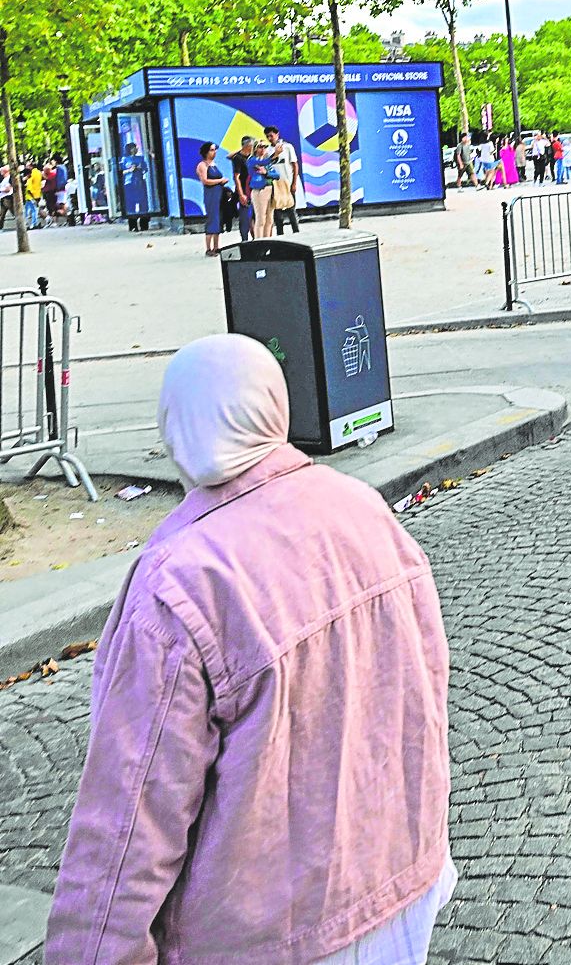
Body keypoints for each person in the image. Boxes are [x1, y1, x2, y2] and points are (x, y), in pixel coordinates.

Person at [45, 333, 453, 964]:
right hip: (399, 887)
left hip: (267, 936)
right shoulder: (365, 510)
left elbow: (130, 816)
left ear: (174, 428)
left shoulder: (179, 581)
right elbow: (423, 695)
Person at [265, 126, 302, 235]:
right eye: (267, 136)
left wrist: (294, 182)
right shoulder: (267, 150)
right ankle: (280, 234)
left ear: (277, 134)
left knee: (291, 209)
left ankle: (296, 232)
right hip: (275, 184)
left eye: (271, 135)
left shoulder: (287, 147)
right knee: (278, 212)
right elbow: (266, 164)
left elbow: (294, 165)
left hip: (287, 182)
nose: (270, 138)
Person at [195, 141, 227, 256]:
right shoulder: (202, 165)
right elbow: (205, 181)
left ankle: (216, 246)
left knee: (218, 219)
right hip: (211, 195)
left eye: (215, 150)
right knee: (212, 219)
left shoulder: (214, 164)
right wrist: (220, 181)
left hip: (219, 194)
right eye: (212, 150)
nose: (214, 152)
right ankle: (208, 248)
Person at [248, 138, 278, 239]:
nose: (263, 149)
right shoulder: (252, 160)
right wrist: (275, 154)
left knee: (269, 219)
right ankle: (259, 241)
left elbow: (276, 175)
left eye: (265, 147)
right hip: (259, 190)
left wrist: (267, 173)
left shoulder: (266, 163)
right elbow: (264, 162)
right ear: (255, 149)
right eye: (261, 147)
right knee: (261, 218)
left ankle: (267, 239)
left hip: (269, 189)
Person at [119, 141, 152, 232]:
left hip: (139, 182)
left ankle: (144, 224)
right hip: (129, 183)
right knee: (131, 205)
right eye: (134, 148)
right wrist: (130, 170)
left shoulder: (140, 158)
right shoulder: (125, 159)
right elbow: (121, 172)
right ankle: (133, 225)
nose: (135, 149)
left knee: (143, 204)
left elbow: (145, 169)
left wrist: (140, 168)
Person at [230, 136, 255, 244]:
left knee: (254, 217)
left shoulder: (252, 157)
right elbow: (236, 177)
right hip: (244, 191)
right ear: (247, 146)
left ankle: (257, 239)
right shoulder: (238, 158)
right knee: (245, 217)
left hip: (254, 189)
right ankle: (244, 240)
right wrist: (241, 194)